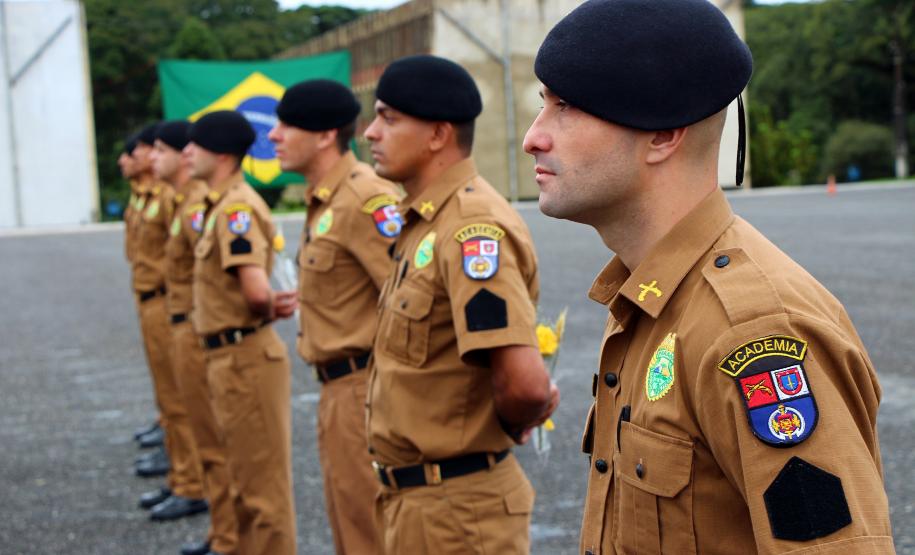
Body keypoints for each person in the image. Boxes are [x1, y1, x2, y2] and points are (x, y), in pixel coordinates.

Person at [523, 1, 896, 553]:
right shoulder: (653, 296)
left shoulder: (751, 330)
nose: (535, 136)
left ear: (664, 134)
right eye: (543, 104)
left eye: (568, 107)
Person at [363, 55, 559, 555]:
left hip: (457, 514)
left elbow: (526, 385)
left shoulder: (471, 227)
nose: (370, 133)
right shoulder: (429, 221)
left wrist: (512, 421)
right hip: (424, 504)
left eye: (388, 118)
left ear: (437, 135)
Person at [268, 79, 400, 554]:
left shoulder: (365, 199)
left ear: (325, 134)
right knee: (350, 524)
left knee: (369, 530)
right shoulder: (326, 197)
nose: (274, 135)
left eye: (287, 124)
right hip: (336, 390)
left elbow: (413, 301)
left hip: (365, 387)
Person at [186, 110, 297, 555]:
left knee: (261, 491)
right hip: (227, 355)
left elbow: (254, 291)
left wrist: (271, 302)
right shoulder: (221, 204)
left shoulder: (235, 208)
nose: (187, 152)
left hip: (243, 356)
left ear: (225, 155)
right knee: (241, 479)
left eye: (197, 144)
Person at [150, 120, 239, 554]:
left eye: (161, 150)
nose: (153, 158)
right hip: (178, 317)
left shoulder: (208, 205)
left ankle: (225, 531)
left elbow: (229, 276)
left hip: (201, 325)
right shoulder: (189, 202)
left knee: (214, 436)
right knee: (192, 420)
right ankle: (219, 529)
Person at [131, 124, 207, 521]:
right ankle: (182, 476)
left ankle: (192, 484)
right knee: (172, 400)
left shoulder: (190, 204)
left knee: (183, 405)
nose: (150, 157)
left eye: (160, 150)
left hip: (176, 310)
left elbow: (204, 269)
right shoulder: (173, 198)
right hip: (159, 305)